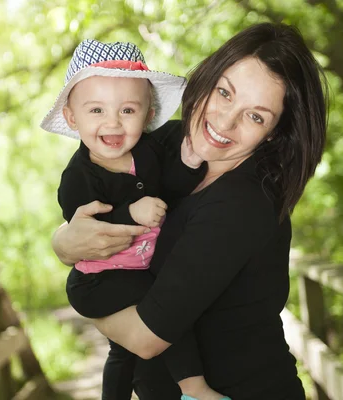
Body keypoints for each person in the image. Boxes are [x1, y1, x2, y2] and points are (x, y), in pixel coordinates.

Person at [51, 22, 328, 400]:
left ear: (274, 134)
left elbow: (146, 338)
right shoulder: (166, 143)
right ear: (208, 79)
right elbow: (96, 213)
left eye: (256, 116)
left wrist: (80, 290)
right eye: (224, 93)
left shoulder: (243, 205)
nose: (225, 121)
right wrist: (64, 242)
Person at [41, 40, 229, 400]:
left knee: (122, 353)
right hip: (98, 281)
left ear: (147, 113)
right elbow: (84, 228)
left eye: (127, 110)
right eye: (96, 110)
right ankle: (195, 389)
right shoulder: (79, 176)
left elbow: (167, 193)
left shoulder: (149, 150)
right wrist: (131, 212)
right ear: (71, 117)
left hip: (135, 270)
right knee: (167, 307)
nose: (112, 122)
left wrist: (188, 164)